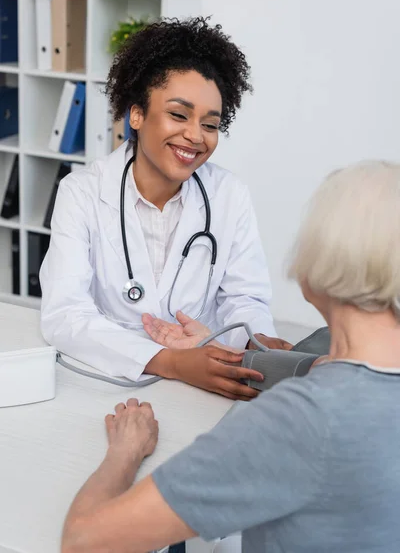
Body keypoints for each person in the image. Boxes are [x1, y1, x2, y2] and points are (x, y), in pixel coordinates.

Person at [61, 161, 400, 553]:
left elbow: (84, 542)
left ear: (318, 260)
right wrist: (211, 347)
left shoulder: (296, 423)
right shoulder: (331, 355)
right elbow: (315, 367)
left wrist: (125, 451)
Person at [39, 17, 291, 401]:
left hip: (207, 381)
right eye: (178, 114)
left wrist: (256, 342)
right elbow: (65, 315)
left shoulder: (229, 196)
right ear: (136, 115)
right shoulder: (82, 193)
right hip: (108, 378)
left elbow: (244, 300)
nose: (195, 135)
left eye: (210, 124)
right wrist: (170, 361)